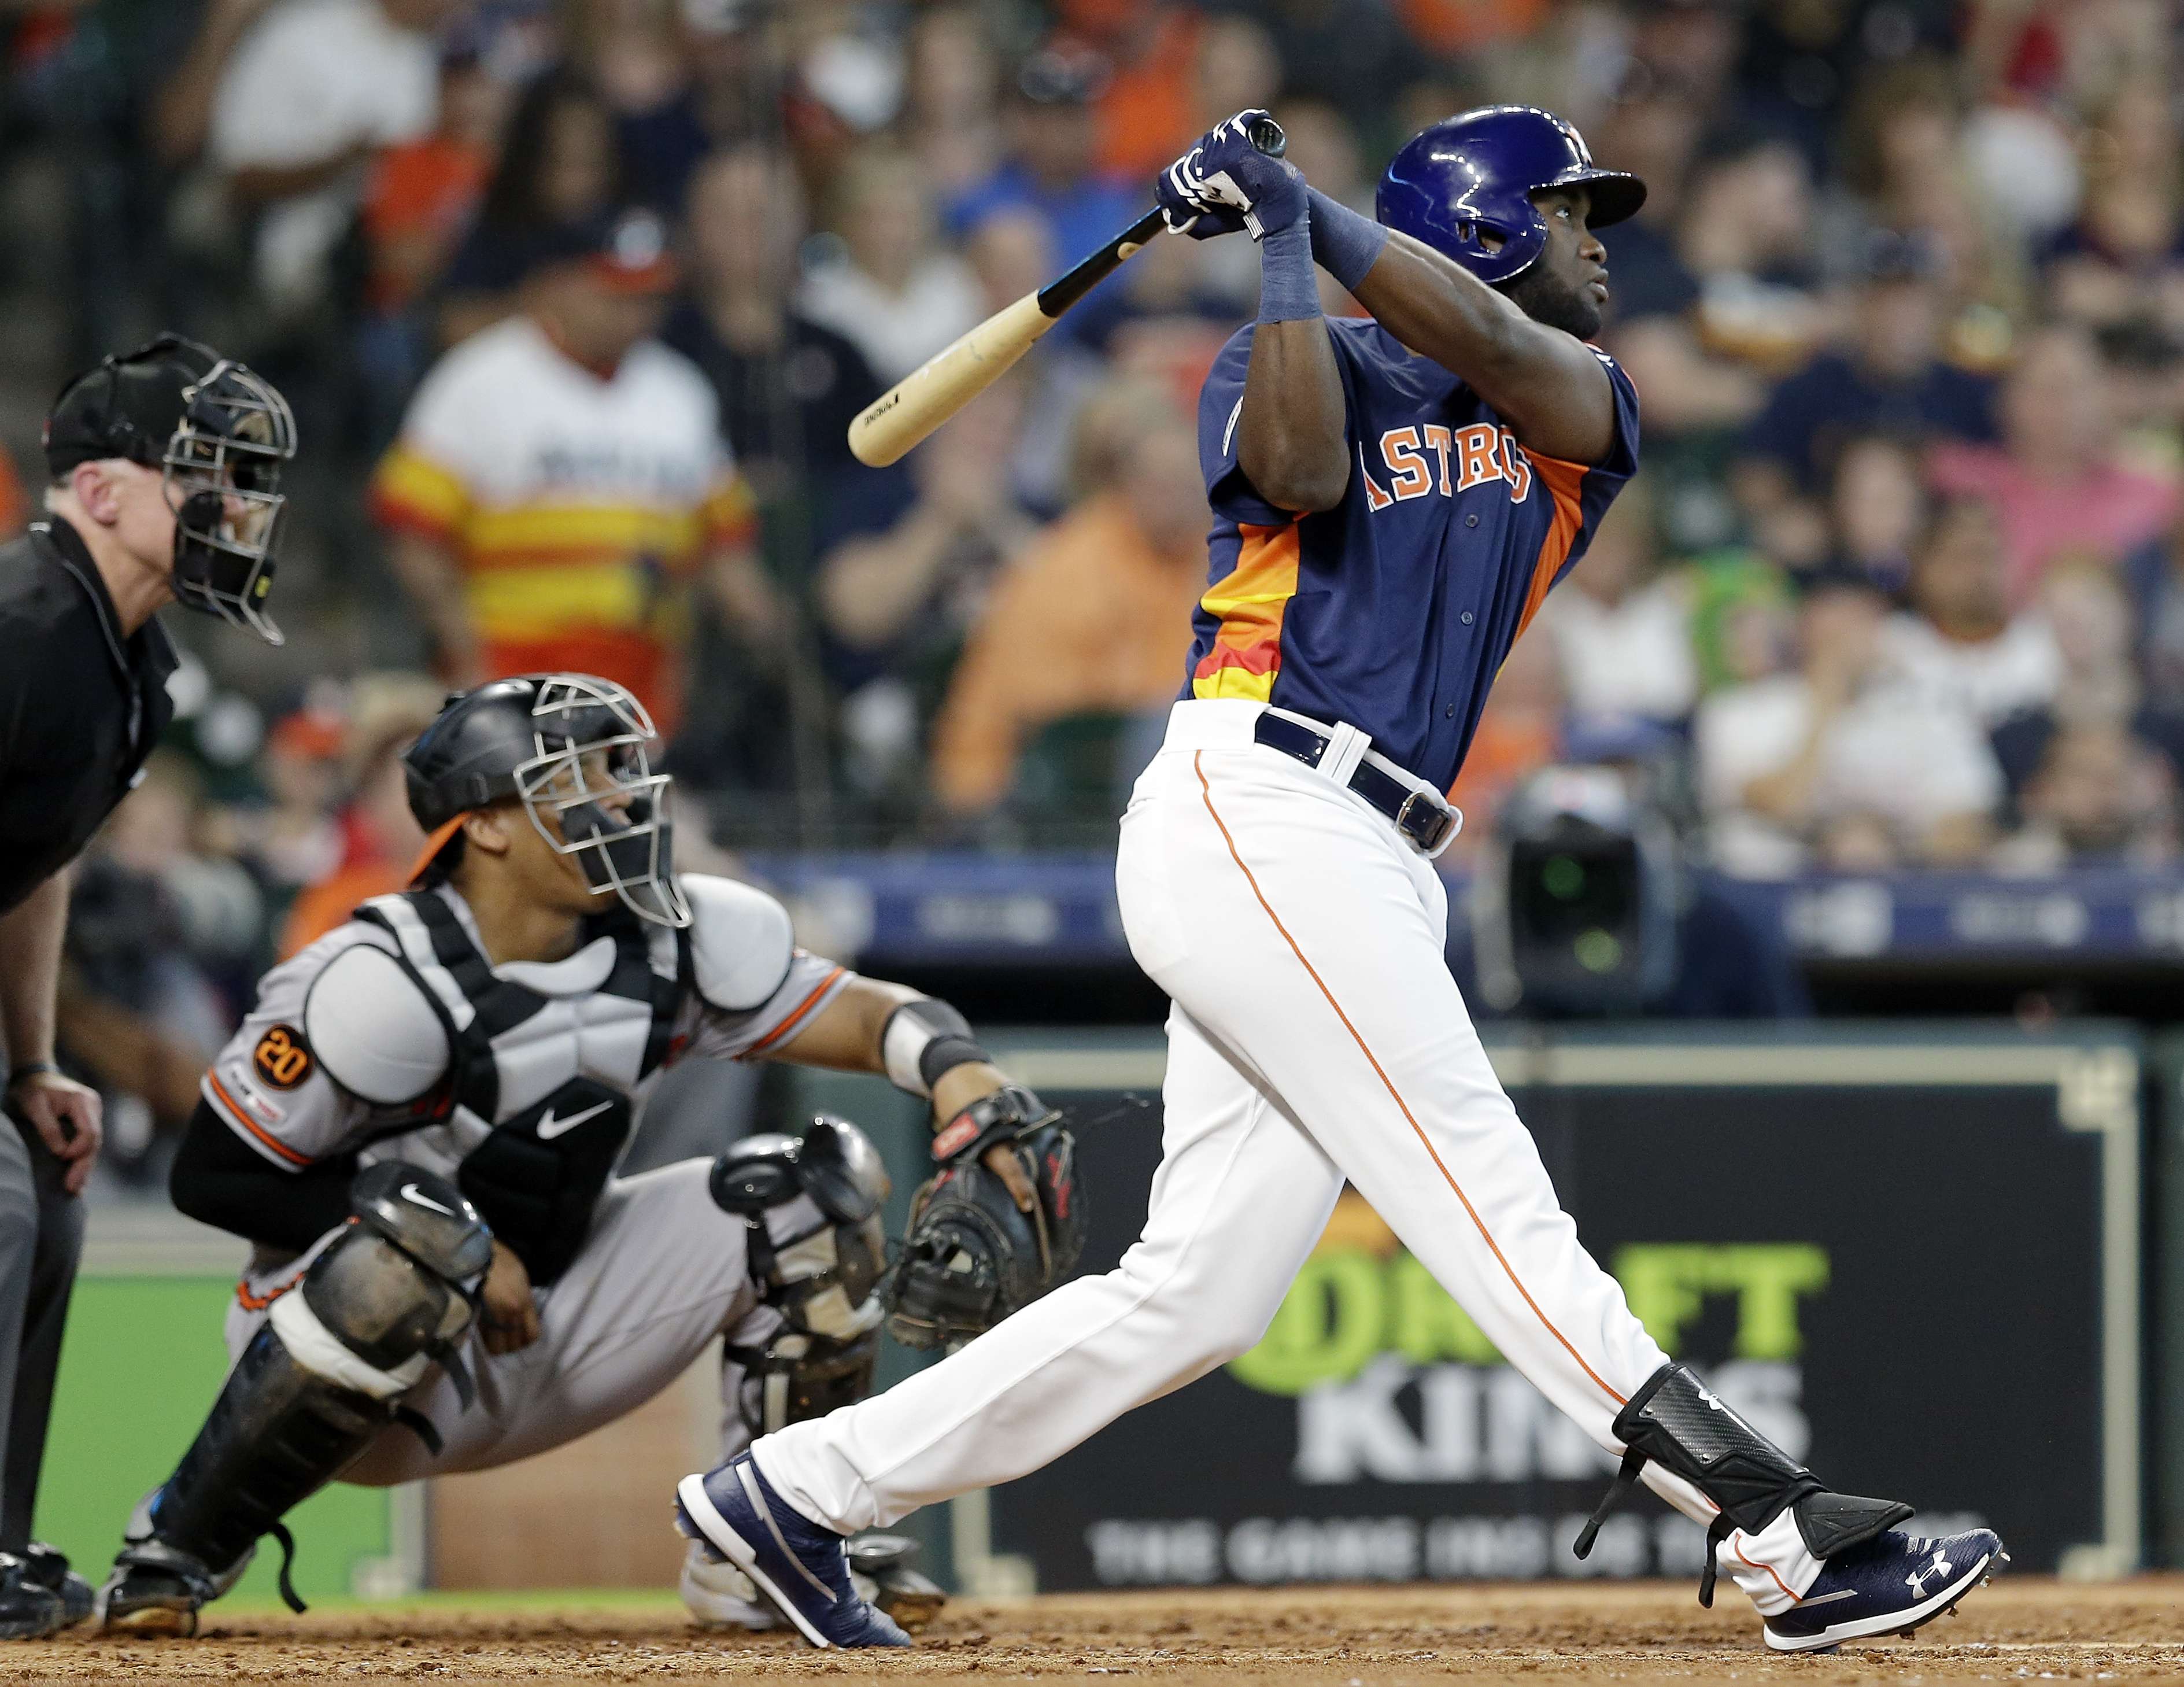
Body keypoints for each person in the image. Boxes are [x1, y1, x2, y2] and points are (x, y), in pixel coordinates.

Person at [672, 106, 2004, 1653]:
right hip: (1262, 799)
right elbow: (1299, 474)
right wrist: (1287, 245)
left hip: (1372, 844)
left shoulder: (1579, 399)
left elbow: (1509, 345)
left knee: (1199, 1292)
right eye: (1574, 215)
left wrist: (1302, 205)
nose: (1601, 246)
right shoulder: (1288, 359)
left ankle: (787, 1491)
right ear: (1492, 222)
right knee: (1479, 1181)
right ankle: (1773, 1527)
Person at [94, 672, 1069, 1637]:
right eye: (577, 780)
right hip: (366, 1358)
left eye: (621, 771)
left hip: (558, 1306)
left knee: (811, 1188)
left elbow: (860, 1013)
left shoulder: (674, 935)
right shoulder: (378, 977)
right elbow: (214, 1175)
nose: (621, 800)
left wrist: (953, 1068)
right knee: (409, 1259)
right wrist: (459, 1246)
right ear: (486, 824)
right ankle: (177, 1543)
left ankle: (768, 1542)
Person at [0, 334, 297, 1637]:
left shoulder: (133, 667)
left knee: (42, 1201)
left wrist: (28, 1064)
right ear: (103, 491)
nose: (230, 512)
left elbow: (32, 862)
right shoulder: (21, 628)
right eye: (204, 480)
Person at [372, 206, 779, 729]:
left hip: (641, 685)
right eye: (615, 293)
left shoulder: (681, 391)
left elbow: (725, 542)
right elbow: (412, 533)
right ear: (555, 283)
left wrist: (764, 631)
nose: (635, 313)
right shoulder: (480, 378)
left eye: (649, 296)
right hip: (512, 677)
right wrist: (466, 657)